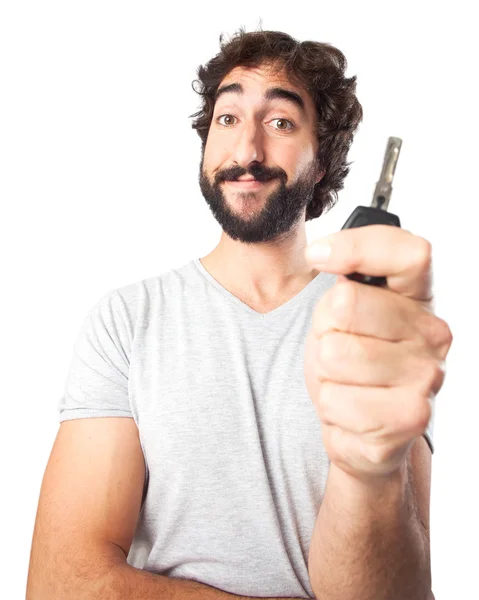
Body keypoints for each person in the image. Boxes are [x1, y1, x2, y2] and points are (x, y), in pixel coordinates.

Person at [27, 27, 450, 599]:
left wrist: (366, 472)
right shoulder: (127, 321)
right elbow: (63, 584)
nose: (246, 150)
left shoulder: (375, 327)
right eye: (227, 119)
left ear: (321, 159)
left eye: (280, 123)